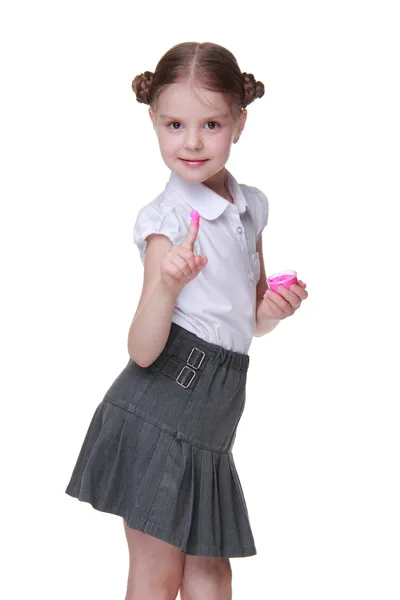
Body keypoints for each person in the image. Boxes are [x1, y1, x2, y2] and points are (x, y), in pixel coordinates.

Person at [65, 41, 308, 600]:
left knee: (211, 574)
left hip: (213, 419)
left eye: (211, 124)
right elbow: (143, 348)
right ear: (154, 122)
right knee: (158, 575)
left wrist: (269, 311)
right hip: (162, 407)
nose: (192, 142)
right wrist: (169, 284)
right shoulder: (168, 222)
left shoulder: (252, 206)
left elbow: (244, 322)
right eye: (175, 124)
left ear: (239, 123)